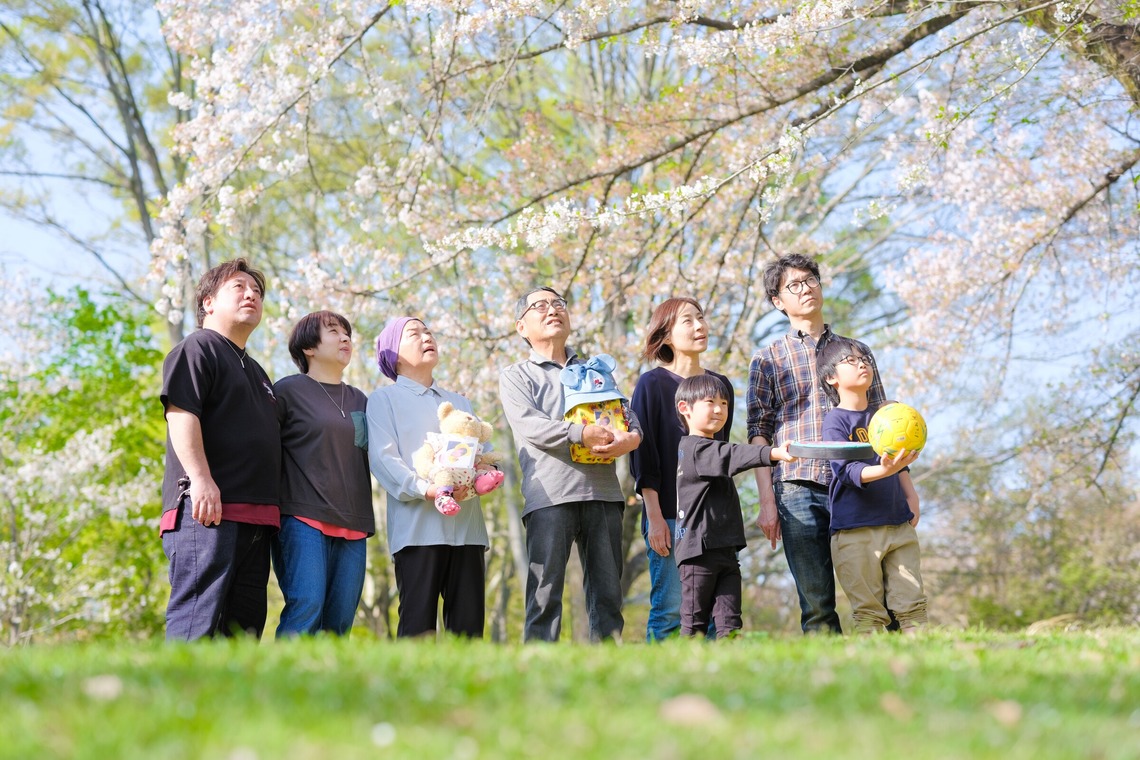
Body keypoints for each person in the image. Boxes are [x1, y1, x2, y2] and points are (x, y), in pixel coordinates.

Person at [746, 253, 886, 634]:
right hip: (797, 485)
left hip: (859, 481)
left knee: (881, 595)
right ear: (778, 301)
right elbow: (758, 431)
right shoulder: (768, 358)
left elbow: (882, 418)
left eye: (810, 280)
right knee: (817, 605)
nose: (806, 288)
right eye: (794, 285)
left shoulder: (856, 353)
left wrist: (897, 481)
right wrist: (767, 501)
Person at [499, 286, 642, 642]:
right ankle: (538, 667)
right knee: (544, 594)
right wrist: (581, 434)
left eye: (558, 304)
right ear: (521, 327)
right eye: (540, 306)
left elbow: (626, 416)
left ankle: (609, 669)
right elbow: (530, 427)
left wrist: (632, 438)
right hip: (550, 495)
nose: (552, 310)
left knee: (608, 596)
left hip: (604, 492)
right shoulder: (516, 375)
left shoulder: (596, 369)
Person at [160, 258, 281, 640]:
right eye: (239, 287)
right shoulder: (198, 348)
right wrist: (200, 479)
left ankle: (229, 702)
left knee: (242, 633)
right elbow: (180, 413)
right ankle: (174, 699)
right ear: (208, 302)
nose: (252, 295)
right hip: (206, 510)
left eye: (258, 292)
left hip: (257, 518)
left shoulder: (259, 372)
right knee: (197, 620)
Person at [366, 316, 497, 638]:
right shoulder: (384, 400)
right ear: (391, 353)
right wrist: (427, 489)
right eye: (414, 333)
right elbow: (384, 460)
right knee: (417, 626)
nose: (427, 337)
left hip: (468, 530)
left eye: (428, 331)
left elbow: (484, 448)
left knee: (468, 631)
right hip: (417, 531)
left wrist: (487, 471)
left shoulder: (459, 402)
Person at [629, 297, 734, 641]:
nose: (699, 326)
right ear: (668, 336)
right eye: (688, 321)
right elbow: (644, 458)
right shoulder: (652, 384)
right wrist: (655, 518)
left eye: (701, 318)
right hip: (671, 517)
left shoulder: (720, 386)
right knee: (671, 609)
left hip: (714, 519)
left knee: (720, 615)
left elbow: (721, 456)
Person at [272, 311, 374, 637]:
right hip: (301, 517)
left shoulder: (361, 399)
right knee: (307, 607)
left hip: (354, 522)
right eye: (334, 332)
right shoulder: (287, 391)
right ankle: (283, 687)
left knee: (340, 621)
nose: (345, 338)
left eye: (347, 333)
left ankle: (325, 688)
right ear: (308, 348)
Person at [817, 338, 927, 633]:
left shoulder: (888, 416)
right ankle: (870, 673)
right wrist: (883, 469)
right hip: (855, 531)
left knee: (913, 606)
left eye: (864, 358)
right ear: (831, 378)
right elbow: (846, 472)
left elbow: (900, 463)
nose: (862, 363)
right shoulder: (835, 422)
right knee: (869, 614)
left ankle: (926, 666)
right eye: (850, 361)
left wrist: (911, 497)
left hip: (897, 524)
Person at [674, 374, 795, 638]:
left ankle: (730, 672)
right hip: (698, 554)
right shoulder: (695, 448)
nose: (719, 410)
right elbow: (731, 455)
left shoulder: (709, 448)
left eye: (725, 403)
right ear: (685, 408)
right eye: (710, 402)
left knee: (730, 624)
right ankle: (682, 671)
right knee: (694, 624)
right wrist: (771, 453)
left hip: (725, 549)